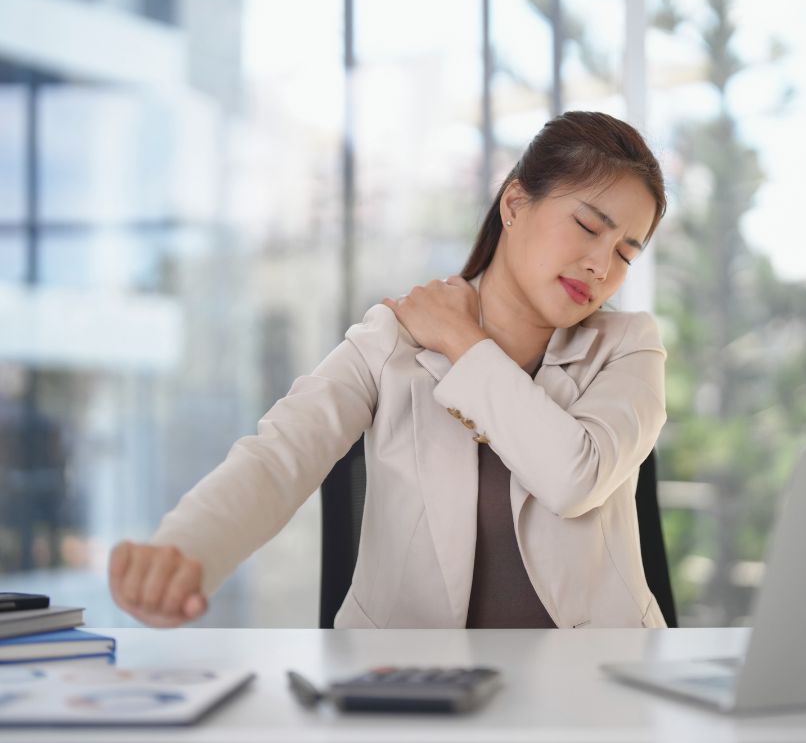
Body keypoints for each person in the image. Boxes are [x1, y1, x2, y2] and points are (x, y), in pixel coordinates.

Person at [109, 110, 669, 629]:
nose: (601, 264)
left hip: (594, 689)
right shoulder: (391, 339)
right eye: (589, 227)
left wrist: (460, 338)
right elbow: (279, 457)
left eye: (625, 253)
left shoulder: (629, 347)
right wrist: (181, 553)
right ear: (515, 205)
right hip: (410, 691)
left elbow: (575, 479)